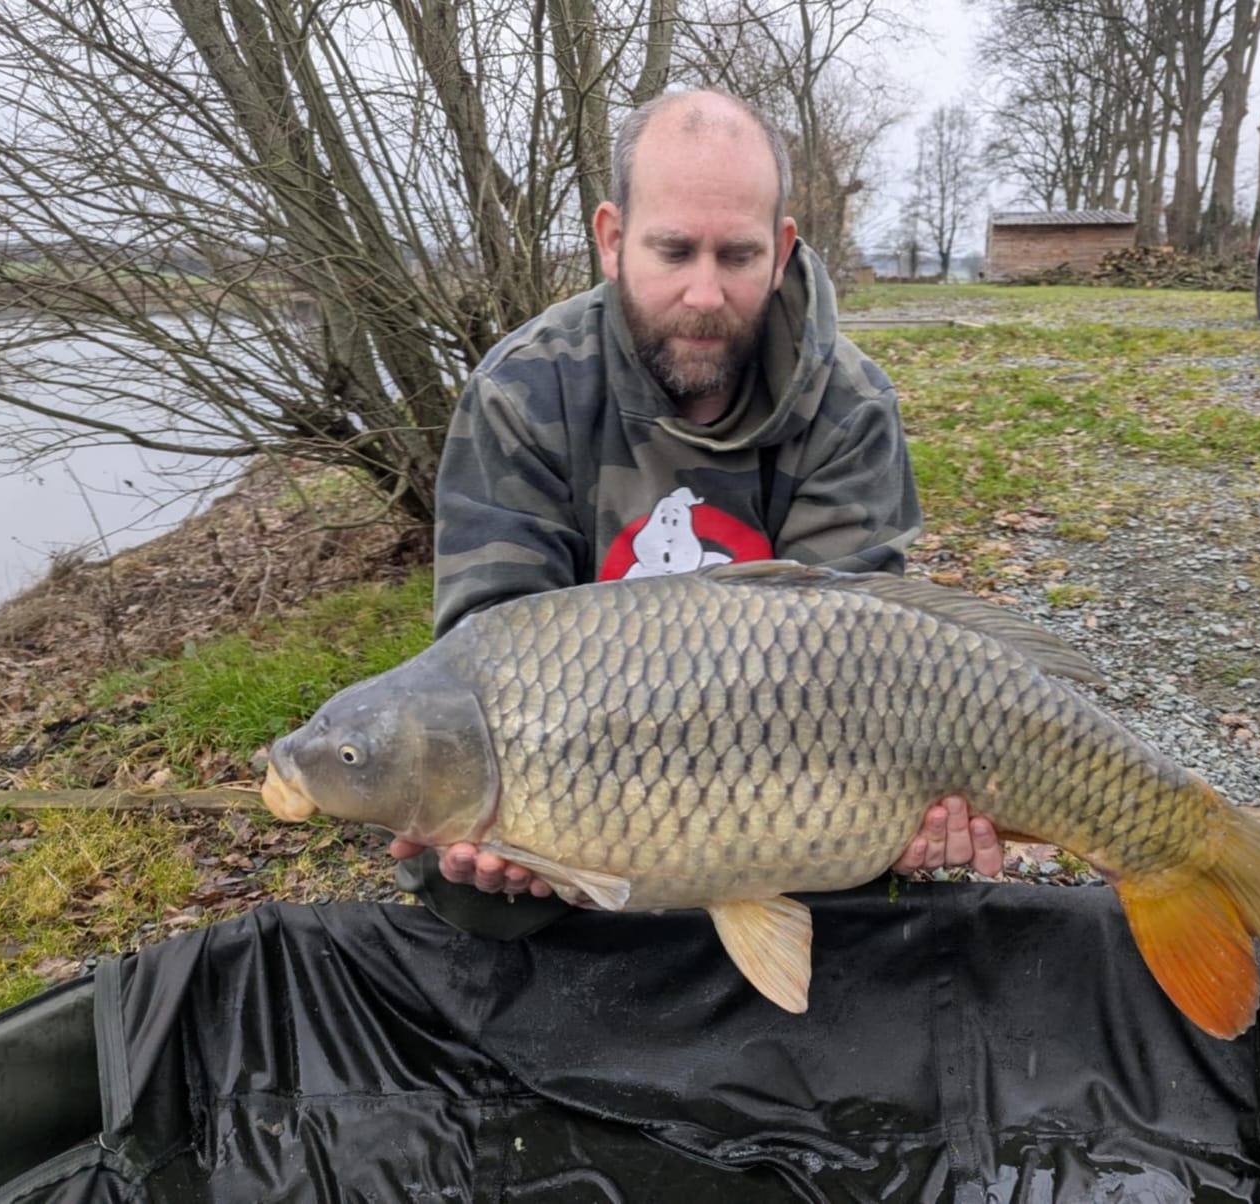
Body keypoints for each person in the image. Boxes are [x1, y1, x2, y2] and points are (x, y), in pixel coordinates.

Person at [390, 88, 1001, 937]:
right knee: (459, 850)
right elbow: (488, 661)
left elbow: (859, 664)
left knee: (871, 855)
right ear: (612, 239)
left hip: (789, 762)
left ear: (781, 250)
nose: (705, 294)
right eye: (674, 251)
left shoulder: (849, 405)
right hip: (578, 766)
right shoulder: (521, 392)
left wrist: (906, 812)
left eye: (738, 255)